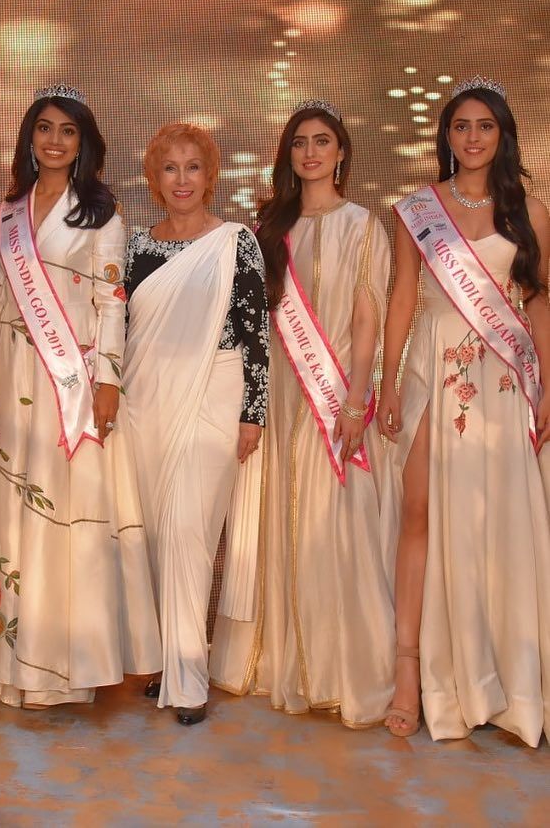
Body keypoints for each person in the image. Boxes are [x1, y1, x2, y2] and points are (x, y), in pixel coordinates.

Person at [0, 84, 161, 708]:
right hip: (14, 375)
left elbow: (111, 303)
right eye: (45, 128)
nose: (55, 140)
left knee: (67, 513)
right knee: (11, 509)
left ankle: (62, 668)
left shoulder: (102, 214)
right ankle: (6, 659)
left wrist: (108, 380)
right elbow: (0, 298)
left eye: (68, 130)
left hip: (73, 385)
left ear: (83, 142)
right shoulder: (8, 210)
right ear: (30, 137)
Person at [209, 102, 395, 728]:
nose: (311, 152)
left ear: (341, 152)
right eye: (299, 143)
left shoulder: (363, 225)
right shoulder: (269, 228)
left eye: (322, 141)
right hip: (279, 394)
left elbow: (367, 322)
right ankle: (272, 662)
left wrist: (355, 400)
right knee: (272, 519)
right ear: (288, 155)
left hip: (332, 395)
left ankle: (335, 670)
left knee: (328, 524)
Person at [377, 76, 550, 745]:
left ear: (502, 135)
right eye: (460, 126)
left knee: (497, 520)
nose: (472, 137)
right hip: (435, 368)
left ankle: (505, 674)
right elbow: (402, 298)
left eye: (484, 126)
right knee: (417, 514)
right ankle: (410, 673)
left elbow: (537, 301)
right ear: (446, 136)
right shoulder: (417, 209)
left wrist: (548, 384)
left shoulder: (530, 212)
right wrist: (388, 383)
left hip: (504, 379)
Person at [124, 122, 269, 725]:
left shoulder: (237, 242)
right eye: (169, 168)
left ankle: (188, 678)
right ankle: (165, 661)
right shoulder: (135, 248)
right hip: (145, 400)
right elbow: (121, 330)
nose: (181, 179)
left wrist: (253, 413)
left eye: (192, 167)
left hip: (215, 391)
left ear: (210, 176)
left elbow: (256, 331)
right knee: (155, 534)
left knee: (190, 530)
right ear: (154, 179)